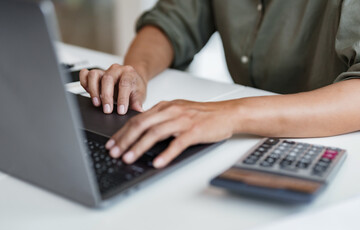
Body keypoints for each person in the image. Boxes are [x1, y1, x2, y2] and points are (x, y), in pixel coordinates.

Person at [79, 0, 360, 169]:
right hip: (249, 149)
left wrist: (230, 114)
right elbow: (171, 20)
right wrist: (137, 71)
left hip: (336, 152)